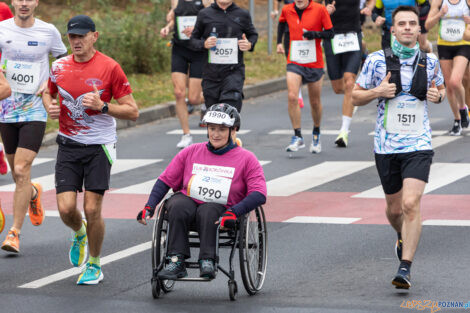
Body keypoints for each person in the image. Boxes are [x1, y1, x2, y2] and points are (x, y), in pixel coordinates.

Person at [352, 6, 445, 289]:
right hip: (386, 145)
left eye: (412, 24)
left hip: (419, 143)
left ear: (419, 29)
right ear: (393, 29)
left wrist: (437, 97)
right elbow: (355, 96)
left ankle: (404, 268)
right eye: (401, 23)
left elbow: (439, 90)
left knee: (410, 203)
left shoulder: (430, 62)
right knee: (394, 210)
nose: (407, 28)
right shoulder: (376, 61)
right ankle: (402, 234)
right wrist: (376, 92)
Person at [42, 15, 139, 285]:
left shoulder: (110, 68)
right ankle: (79, 232)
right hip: (68, 145)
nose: (76, 41)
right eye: (72, 36)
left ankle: (95, 264)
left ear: (94, 37)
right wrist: (49, 106)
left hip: (99, 146)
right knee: (65, 209)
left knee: (92, 208)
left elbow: (133, 111)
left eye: (81, 36)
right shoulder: (59, 66)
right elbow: (48, 93)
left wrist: (103, 106)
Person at [137, 103, 266, 280]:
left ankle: (207, 260)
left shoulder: (247, 159)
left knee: (208, 210)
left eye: (222, 129)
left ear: (233, 130)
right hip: (188, 206)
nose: (215, 134)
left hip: (221, 211)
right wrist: (149, 206)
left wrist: (235, 212)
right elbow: (165, 180)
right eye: (212, 128)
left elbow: (259, 193)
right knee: (176, 204)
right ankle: (175, 261)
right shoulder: (191, 151)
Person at [0, 0, 67, 253]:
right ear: (13, 2)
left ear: (36, 2)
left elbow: (64, 61)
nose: (24, 3)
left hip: (35, 108)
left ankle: (14, 233)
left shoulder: (48, 31)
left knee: (20, 167)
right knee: (18, 176)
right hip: (6, 109)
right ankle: (31, 193)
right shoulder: (2, 29)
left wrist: (51, 85)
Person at [277, 0, 333, 154]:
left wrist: (315, 34)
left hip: (314, 61)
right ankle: (297, 136)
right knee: (292, 96)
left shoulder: (320, 9)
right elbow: (281, 23)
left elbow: (330, 33)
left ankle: (316, 132)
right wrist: (279, 43)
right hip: (294, 59)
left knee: (315, 101)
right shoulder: (287, 9)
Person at [189, 0, 258, 114]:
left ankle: (232, 131)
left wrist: (249, 44)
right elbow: (193, 41)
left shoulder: (242, 14)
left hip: (233, 73)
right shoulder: (204, 14)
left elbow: (253, 35)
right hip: (211, 76)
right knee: (213, 120)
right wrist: (204, 44)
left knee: (229, 116)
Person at [323, 0, 374, 147]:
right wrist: (324, 10)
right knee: (338, 88)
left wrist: (368, 8)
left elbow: (371, 1)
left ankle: (343, 131)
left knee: (350, 81)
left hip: (353, 35)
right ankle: (355, 95)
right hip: (331, 37)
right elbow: (313, 5)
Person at [160, 0, 211, 149]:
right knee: (178, 92)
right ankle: (186, 134)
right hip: (179, 49)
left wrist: (197, 30)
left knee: (194, 99)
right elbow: (174, 20)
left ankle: (212, 97)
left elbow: (212, 19)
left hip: (198, 50)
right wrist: (167, 28)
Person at [426, 0, 470, 135]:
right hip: (444, 46)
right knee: (449, 86)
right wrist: (440, 14)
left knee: (456, 80)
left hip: (463, 45)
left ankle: (463, 108)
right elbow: (427, 25)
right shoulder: (439, 2)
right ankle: (457, 119)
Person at [272, 0, 306, 109]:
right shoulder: (286, 9)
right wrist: (276, 10)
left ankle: (301, 87)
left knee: (302, 64)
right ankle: (298, 94)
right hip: (288, 32)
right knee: (293, 65)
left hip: (305, 32)